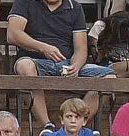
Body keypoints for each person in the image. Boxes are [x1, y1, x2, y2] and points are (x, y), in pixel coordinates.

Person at [9, 0, 111, 128]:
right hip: (35, 61)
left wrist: (76, 65)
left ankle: (73, 125)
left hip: (66, 62)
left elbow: (81, 48)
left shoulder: (75, 7)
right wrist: (43, 48)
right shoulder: (25, 2)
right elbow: (13, 34)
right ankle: (47, 126)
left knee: (109, 78)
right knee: (25, 66)